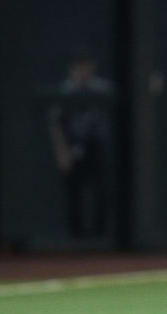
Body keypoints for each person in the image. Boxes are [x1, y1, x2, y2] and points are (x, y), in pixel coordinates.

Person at [47, 54, 113, 238]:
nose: (83, 71)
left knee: (102, 191)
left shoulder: (102, 89)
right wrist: (62, 153)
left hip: (97, 149)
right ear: (72, 69)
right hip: (72, 149)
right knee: (73, 194)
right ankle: (75, 240)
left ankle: (101, 238)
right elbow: (55, 125)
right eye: (79, 66)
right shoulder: (65, 92)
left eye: (86, 65)